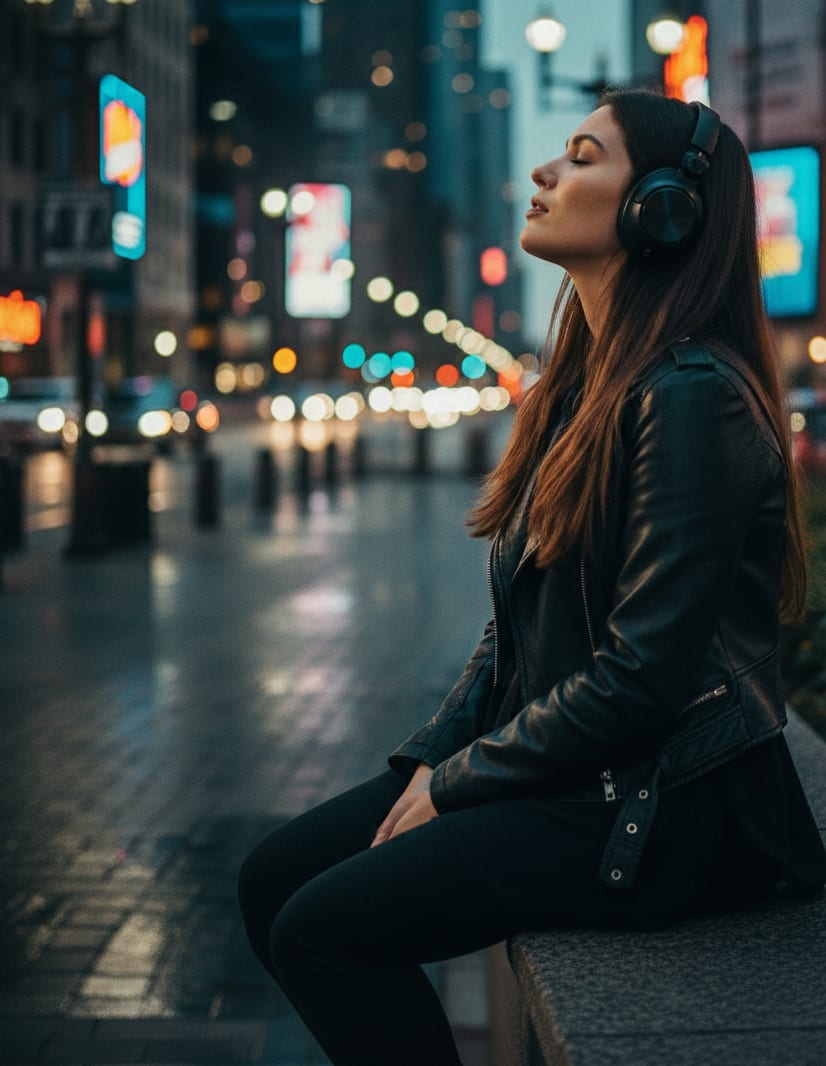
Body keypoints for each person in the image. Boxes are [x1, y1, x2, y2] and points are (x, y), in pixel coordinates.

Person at [237, 89, 826, 1066]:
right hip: (583, 769)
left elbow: (644, 674)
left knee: (321, 929)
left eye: (584, 156)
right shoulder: (587, 387)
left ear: (663, 208)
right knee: (272, 879)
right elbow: (510, 632)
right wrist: (435, 758)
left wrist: (467, 781)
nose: (546, 174)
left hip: (663, 802)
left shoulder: (691, 400)